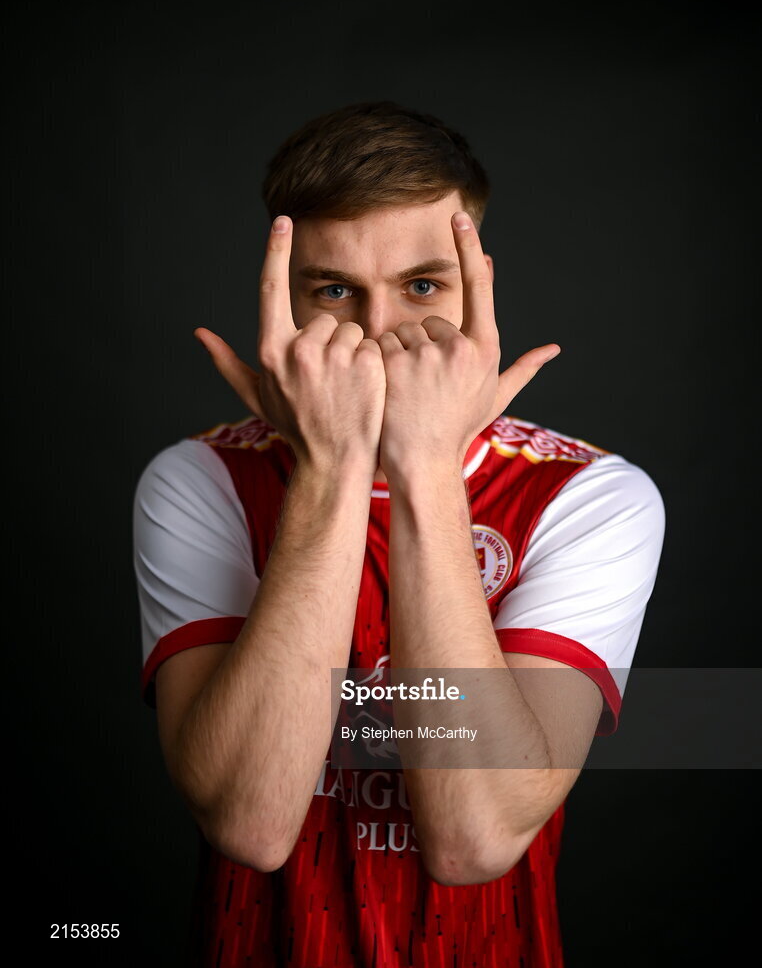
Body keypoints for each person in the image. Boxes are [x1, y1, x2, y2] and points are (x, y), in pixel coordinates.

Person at [132, 100, 665, 967]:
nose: (379, 335)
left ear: (477, 290)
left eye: (422, 286)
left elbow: (475, 835)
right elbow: (253, 825)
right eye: (335, 290)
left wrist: (422, 472)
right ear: (283, 306)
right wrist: (335, 470)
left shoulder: (590, 497)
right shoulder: (200, 482)